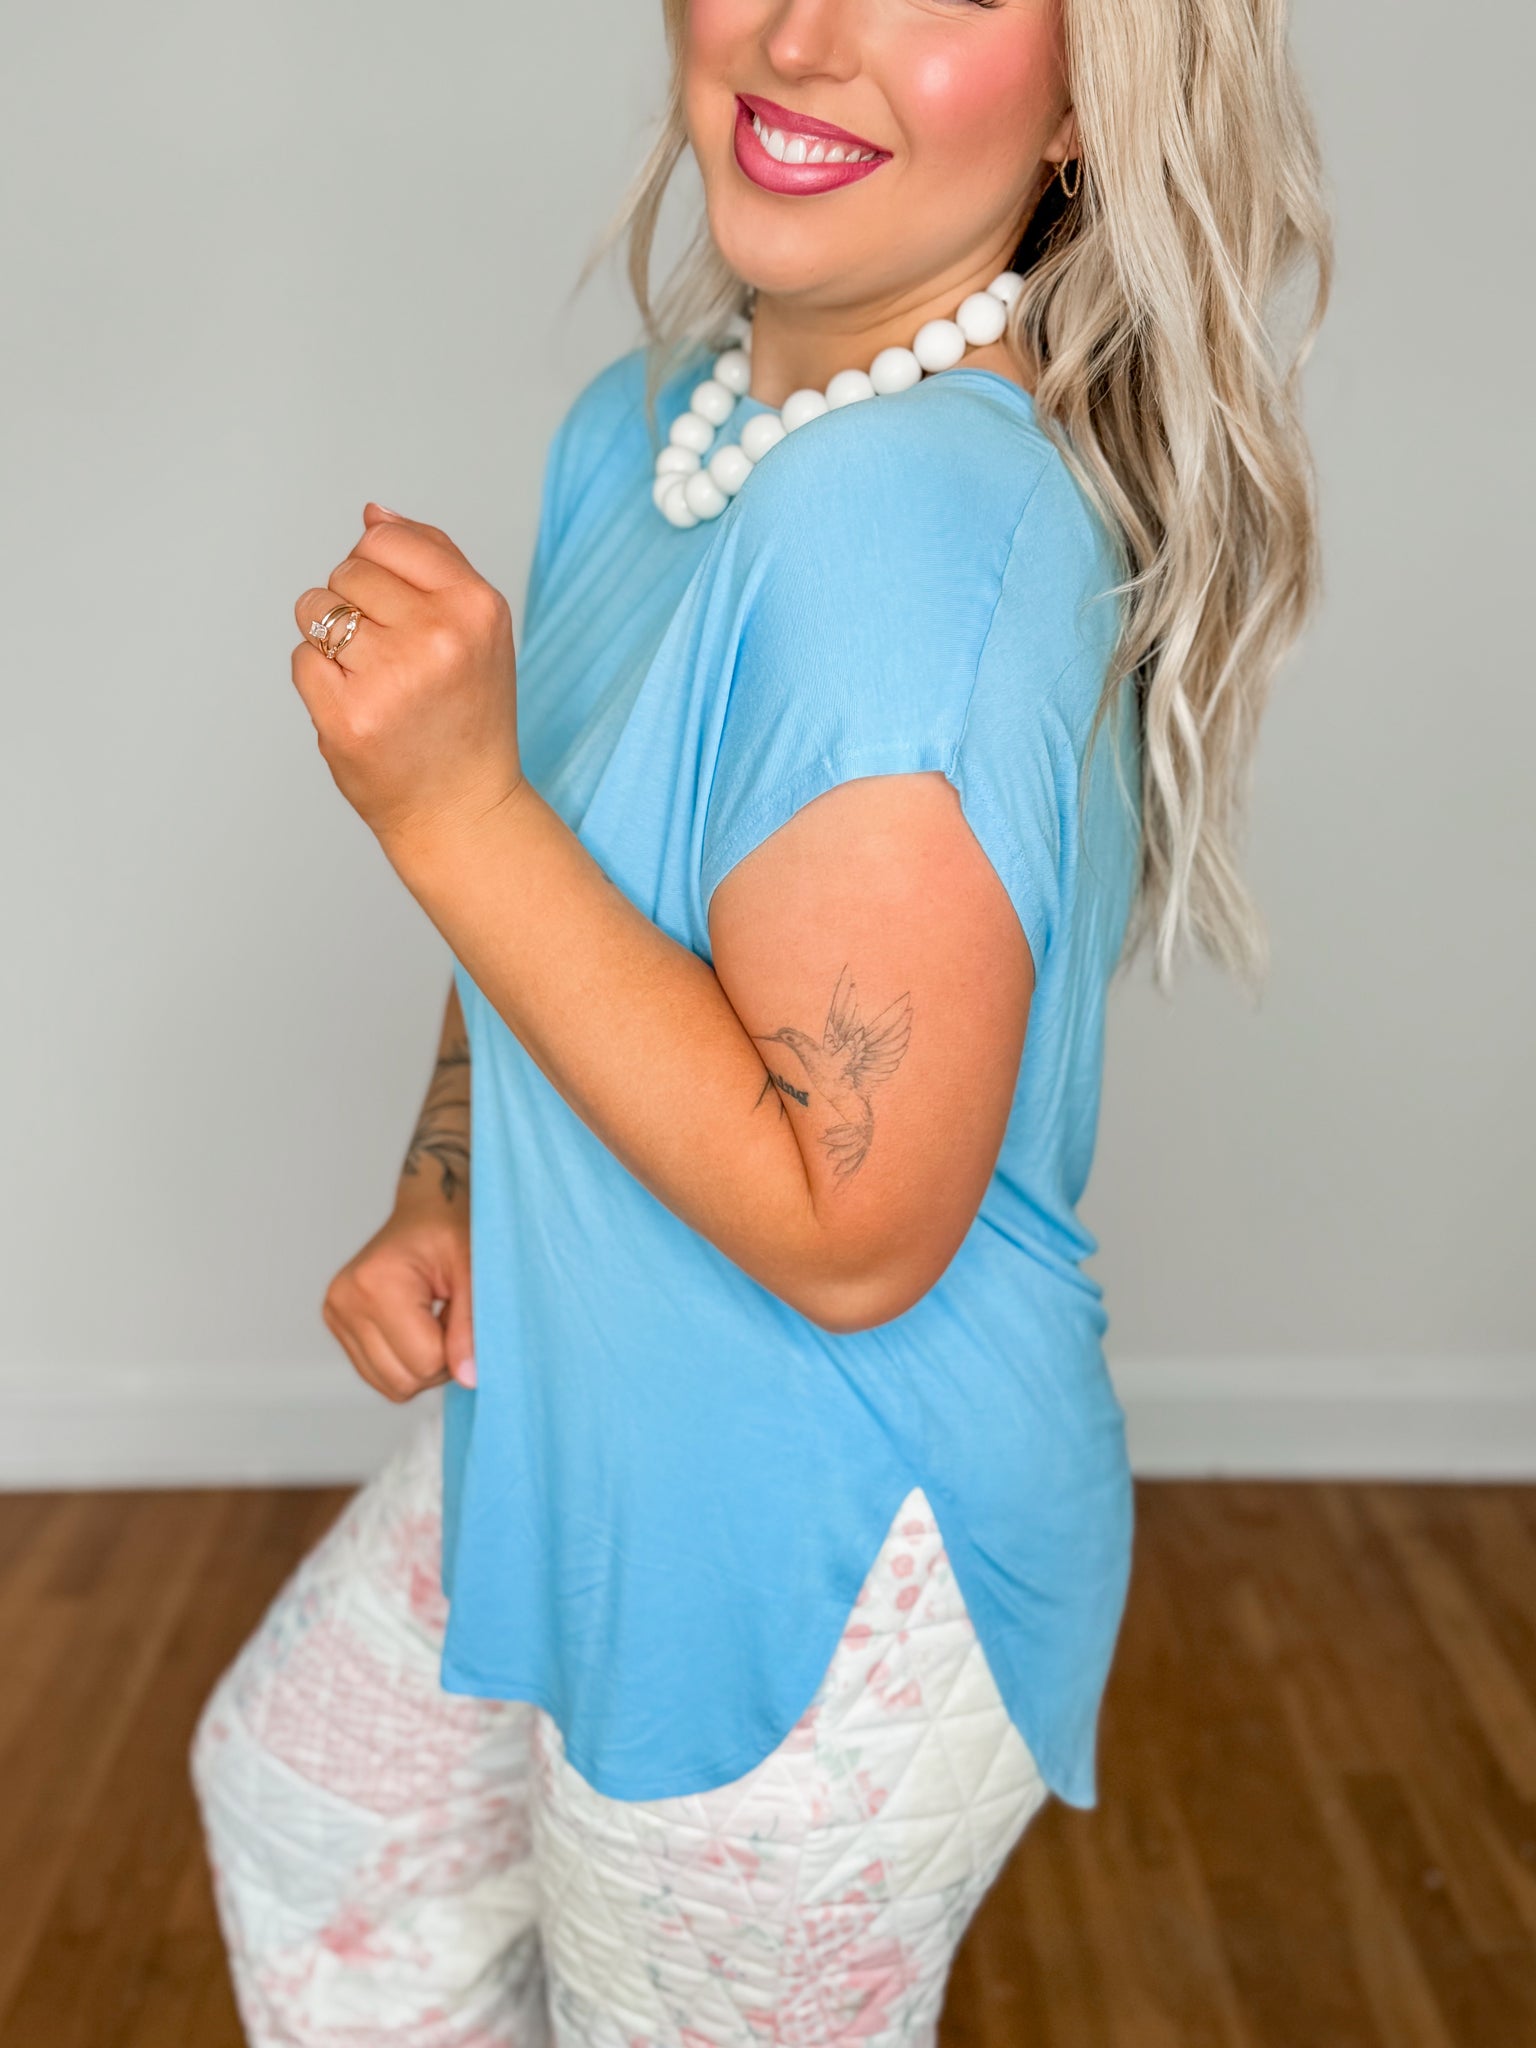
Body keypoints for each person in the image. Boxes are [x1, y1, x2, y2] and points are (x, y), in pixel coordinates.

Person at [190, 0, 1331, 2039]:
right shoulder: (648, 430)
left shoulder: (911, 520)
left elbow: (852, 1227)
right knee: (314, 1809)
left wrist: (446, 807)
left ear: (1091, 94)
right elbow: (567, 897)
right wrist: (447, 1181)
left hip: (819, 1542)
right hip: (579, 1408)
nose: (806, 35)